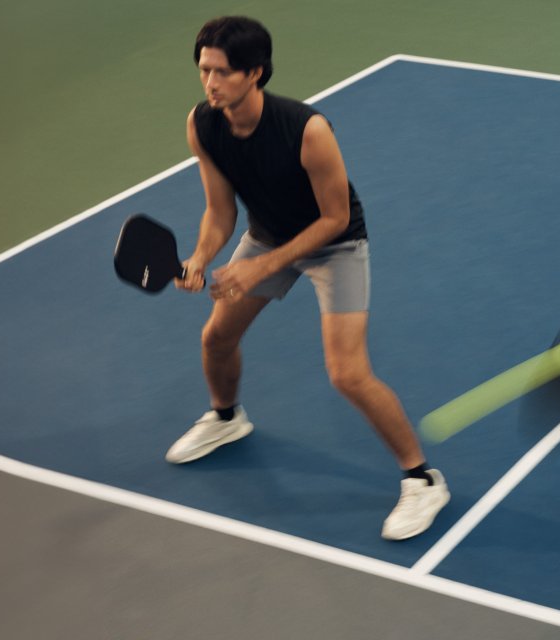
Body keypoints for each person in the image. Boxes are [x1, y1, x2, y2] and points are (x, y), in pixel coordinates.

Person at [167, 15, 448, 541]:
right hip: (268, 237)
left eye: (222, 72)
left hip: (334, 245)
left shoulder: (307, 130)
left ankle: (423, 479)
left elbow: (335, 218)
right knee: (216, 338)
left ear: (255, 73)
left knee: (347, 373)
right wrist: (203, 255)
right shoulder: (203, 123)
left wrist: (261, 265)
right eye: (204, 70)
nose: (210, 83)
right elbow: (219, 210)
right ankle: (227, 419)